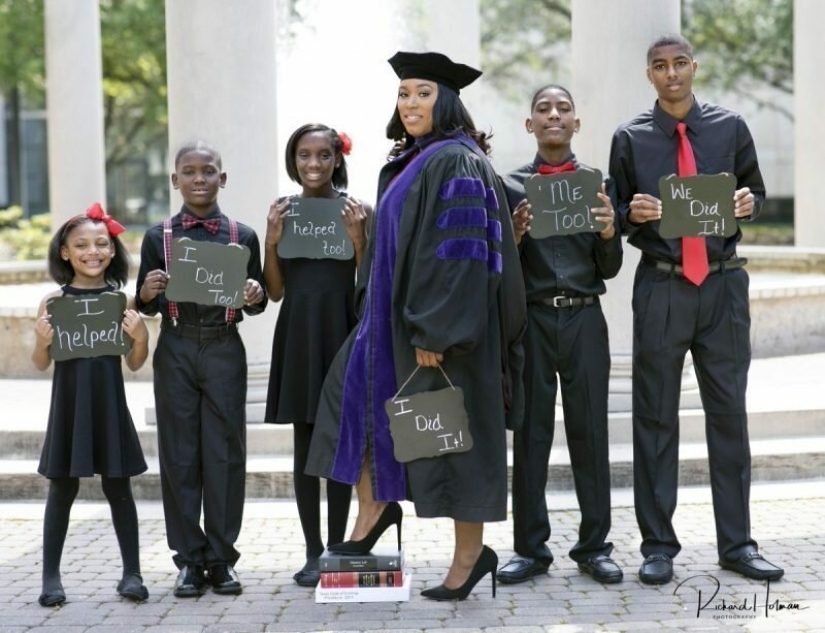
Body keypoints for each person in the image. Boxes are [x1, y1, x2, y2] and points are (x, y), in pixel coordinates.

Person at [306, 51, 526, 601]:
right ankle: (375, 510)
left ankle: (471, 557)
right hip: (389, 331)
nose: (410, 104)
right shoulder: (415, 160)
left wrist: (436, 331)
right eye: (404, 94)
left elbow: (461, 256)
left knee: (453, 439)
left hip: (441, 337)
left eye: (423, 93)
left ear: (446, 101)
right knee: (349, 403)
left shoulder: (456, 161)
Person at [608, 33, 783, 584]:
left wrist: (750, 203)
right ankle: (658, 546)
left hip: (723, 287)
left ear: (694, 67)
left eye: (679, 63)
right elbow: (611, 212)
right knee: (655, 417)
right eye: (659, 66)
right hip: (662, 287)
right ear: (650, 75)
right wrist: (631, 212)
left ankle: (738, 544)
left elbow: (756, 192)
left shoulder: (730, 128)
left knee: (728, 415)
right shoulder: (630, 138)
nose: (671, 73)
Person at [496, 85, 624, 586]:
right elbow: (502, 268)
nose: (554, 115)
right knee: (530, 435)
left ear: (576, 124)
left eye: (564, 109)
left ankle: (594, 546)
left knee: (590, 432)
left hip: (585, 319)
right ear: (530, 125)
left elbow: (609, 269)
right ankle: (530, 549)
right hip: (532, 320)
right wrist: (515, 234)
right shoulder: (511, 187)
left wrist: (610, 232)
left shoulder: (596, 184)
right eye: (543, 109)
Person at [136, 141, 267, 597]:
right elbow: (144, 303)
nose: (198, 178)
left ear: (222, 179)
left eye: (207, 171)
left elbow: (259, 299)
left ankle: (222, 557)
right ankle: (189, 560)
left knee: (226, 453)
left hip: (223, 347)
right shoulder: (159, 238)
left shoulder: (242, 236)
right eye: (188, 171)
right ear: (175, 181)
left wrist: (253, 292)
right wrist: (149, 290)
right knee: (179, 454)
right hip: (175, 346)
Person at [263, 123, 371, 587]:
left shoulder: (357, 209)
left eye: (323, 155)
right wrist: (270, 240)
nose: (313, 164)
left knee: (340, 442)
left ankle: (336, 549)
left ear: (337, 159)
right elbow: (273, 290)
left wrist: (360, 240)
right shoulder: (284, 211)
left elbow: (369, 284)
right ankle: (311, 552)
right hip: (299, 335)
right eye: (304, 155)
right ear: (293, 160)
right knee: (306, 444)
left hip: (342, 332)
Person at [32, 203, 150, 606]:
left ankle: (132, 573)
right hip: (69, 407)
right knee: (60, 490)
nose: (92, 251)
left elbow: (134, 364)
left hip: (109, 405)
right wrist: (41, 341)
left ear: (113, 250)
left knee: (120, 488)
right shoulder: (53, 303)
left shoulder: (121, 302)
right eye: (81, 244)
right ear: (65, 252)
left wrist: (141, 339)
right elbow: (40, 363)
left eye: (101, 243)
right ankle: (51, 578)